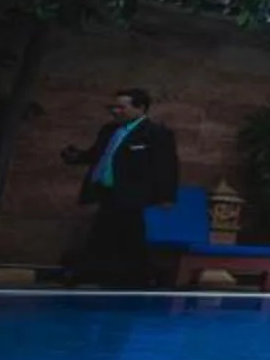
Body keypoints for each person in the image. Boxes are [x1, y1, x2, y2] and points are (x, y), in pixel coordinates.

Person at [60, 87, 180, 287]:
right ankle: (103, 274)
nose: (116, 111)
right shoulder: (109, 130)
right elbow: (98, 154)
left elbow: (166, 166)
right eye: (113, 107)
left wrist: (166, 196)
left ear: (140, 108)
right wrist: (76, 157)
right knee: (105, 232)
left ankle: (134, 277)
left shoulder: (155, 133)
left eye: (122, 107)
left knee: (127, 234)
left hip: (132, 193)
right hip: (107, 191)